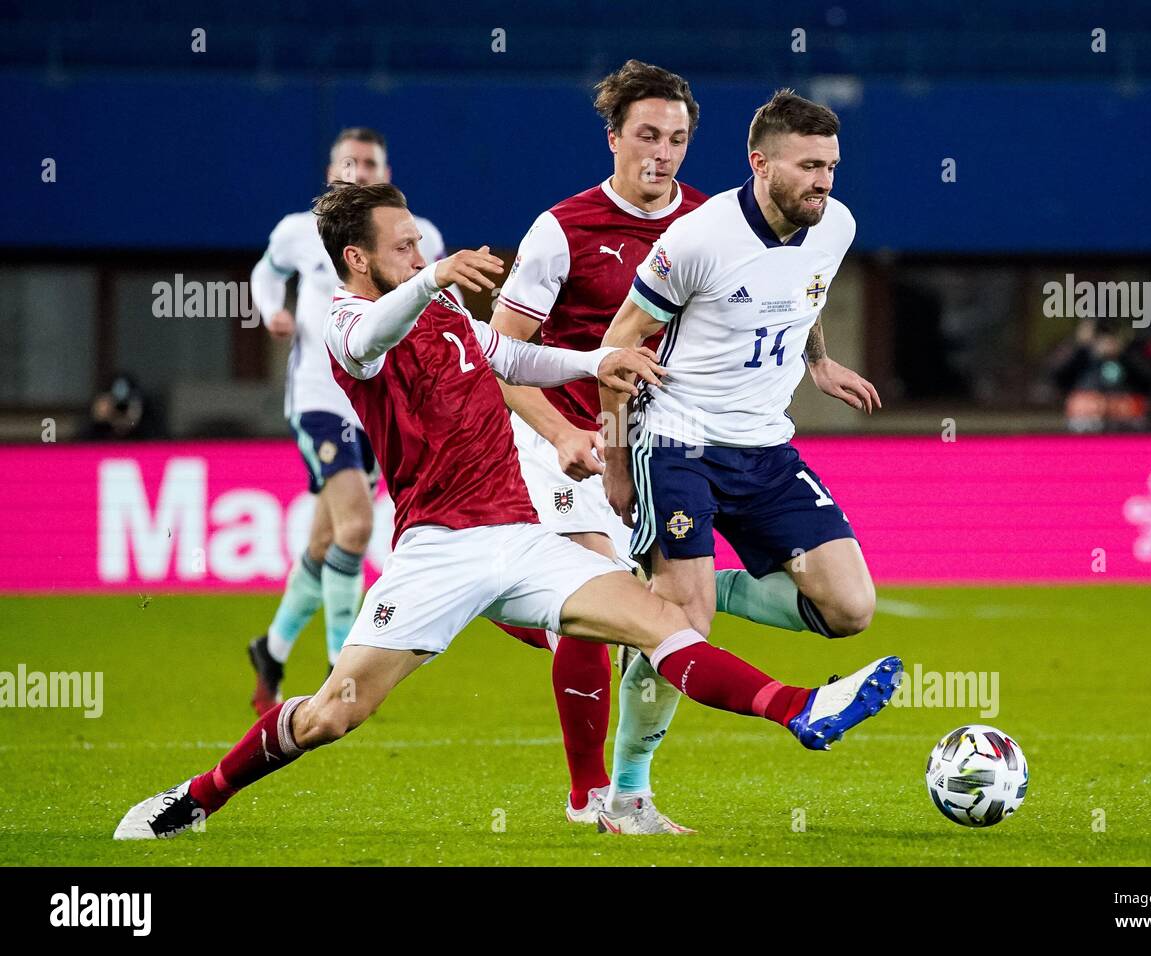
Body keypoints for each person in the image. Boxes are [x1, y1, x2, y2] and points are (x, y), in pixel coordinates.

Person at [113, 181, 902, 840]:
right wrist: (433, 279)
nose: (419, 258)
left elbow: (513, 358)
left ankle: (800, 709)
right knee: (330, 716)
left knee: (666, 625)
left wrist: (599, 359)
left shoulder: (447, 313)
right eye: (403, 249)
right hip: (437, 553)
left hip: (524, 536)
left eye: (421, 246)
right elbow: (376, 332)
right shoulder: (347, 322)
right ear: (356, 260)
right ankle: (198, 797)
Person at [595, 92, 893, 835]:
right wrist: (612, 455)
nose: (823, 181)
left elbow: (805, 289)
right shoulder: (698, 240)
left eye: (831, 165)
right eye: (808, 166)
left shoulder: (837, 224)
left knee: (850, 610)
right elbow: (617, 345)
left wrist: (819, 362)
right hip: (678, 442)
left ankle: (701, 590)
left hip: (765, 446)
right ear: (760, 163)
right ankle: (628, 797)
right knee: (679, 627)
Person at [490, 59, 708, 832]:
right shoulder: (563, 230)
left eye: (677, 138)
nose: (662, 152)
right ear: (613, 137)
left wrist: (814, 359)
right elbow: (500, 358)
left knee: (646, 612)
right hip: (568, 437)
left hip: (658, 449)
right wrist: (562, 433)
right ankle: (594, 797)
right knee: (598, 585)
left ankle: (493, 591)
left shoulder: (710, 223)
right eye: (647, 134)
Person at [246, 128, 448, 712]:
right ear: (332, 170)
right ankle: (343, 667)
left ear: (386, 170)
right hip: (319, 399)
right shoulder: (298, 231)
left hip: (376, 404)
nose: (359, 171)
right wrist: (272, 310)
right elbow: (265, 273)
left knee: (325, 539)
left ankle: (272, 648)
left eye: (370, 163)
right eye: (349, 163)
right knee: (357, 530)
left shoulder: (418, 236)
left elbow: (423, 308)